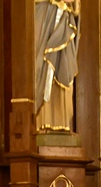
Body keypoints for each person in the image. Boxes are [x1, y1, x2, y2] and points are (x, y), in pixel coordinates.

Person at [34, 0, 80, 132]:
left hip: (63, 19)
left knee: (63, 68)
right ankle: (41, 120)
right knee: (41, 66)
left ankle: (61, 121)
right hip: (44, 17)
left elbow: (77, 7)